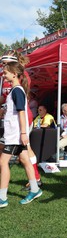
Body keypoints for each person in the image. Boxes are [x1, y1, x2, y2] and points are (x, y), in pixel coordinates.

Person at [0, 62, 42, 208]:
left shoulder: (17, 90)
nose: (3, 75)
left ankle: (2, 198)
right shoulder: (14, 91)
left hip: (15, 135)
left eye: (6, 72)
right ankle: (35, 189)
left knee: (2, 162)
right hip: (14, 134)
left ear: (14, 74)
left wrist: (23, 133)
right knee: (25, 160)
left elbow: (22, 113)